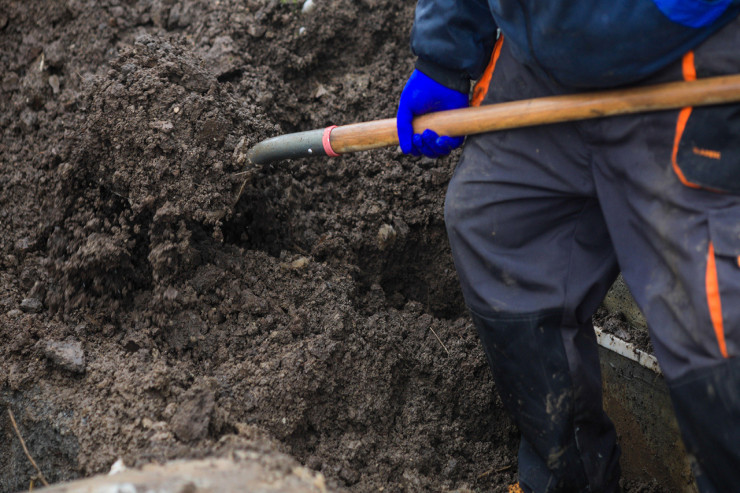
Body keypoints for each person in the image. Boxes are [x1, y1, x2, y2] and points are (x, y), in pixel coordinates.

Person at [396, 2, 740, 492]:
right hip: (543, 61)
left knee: (717, 321)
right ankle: (568, 480)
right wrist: (444, 54)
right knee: (495, 224)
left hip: (687, 56)